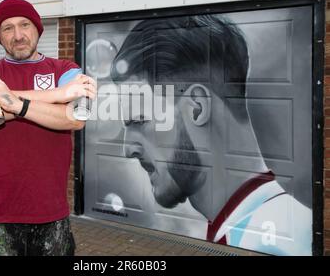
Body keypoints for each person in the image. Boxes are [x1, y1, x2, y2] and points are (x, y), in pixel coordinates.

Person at [110, 15, 312, 256]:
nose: (128, 149)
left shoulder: (276, 243)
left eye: (140, 120)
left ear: (197, 107)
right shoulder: (248, 227)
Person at [0, 0, 96, 256]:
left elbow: (76, 118)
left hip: (49, 214)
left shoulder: (66, 69)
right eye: (8, 28)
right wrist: (56, 95)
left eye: (25, 25)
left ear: (38, 29)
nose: (18, 35)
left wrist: (12, 101)